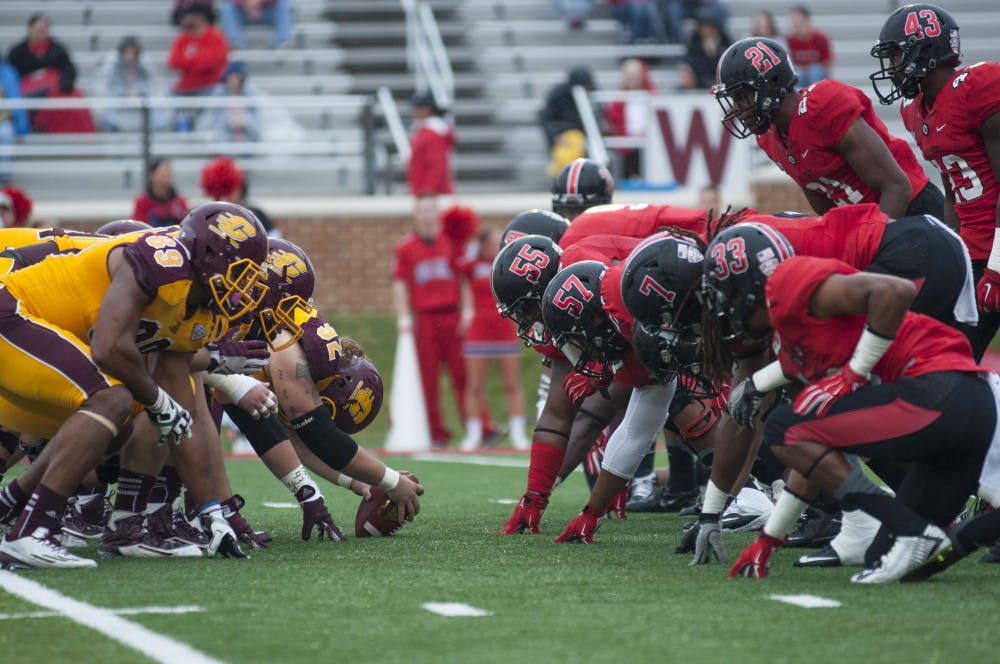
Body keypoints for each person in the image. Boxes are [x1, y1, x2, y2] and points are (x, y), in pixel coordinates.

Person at [705, 225, 994, 583]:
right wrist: (770, 538)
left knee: (783, 425)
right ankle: (919, 531)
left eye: (728, 299)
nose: (728, 315)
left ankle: (912, 528)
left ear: (747, 289)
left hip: (941, 390)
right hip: (954, 411)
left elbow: (895, 289)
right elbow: (811, 461)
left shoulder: (788, 283)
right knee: (884, 556)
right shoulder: (795, 344)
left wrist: (855, 372)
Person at [0, 203, 270, 568]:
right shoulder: (161, 261)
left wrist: (213, 512)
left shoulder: (199, 308)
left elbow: (184, 413)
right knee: (113, 398)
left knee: (126, 418)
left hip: (38, 339)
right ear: (208, 255)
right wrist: (159, 400)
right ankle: (32, 531)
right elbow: (109, 348)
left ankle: (23, 506)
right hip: (14, 311)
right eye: (241, 271)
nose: (244, 287)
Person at [870, 4, 1000, 364]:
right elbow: (952, 192)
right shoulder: (917, 112)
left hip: (995, 248)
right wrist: (949, 253)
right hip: (974, 250)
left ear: (924, 50)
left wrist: (998, 265)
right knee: (942, 356)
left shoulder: (977, 86)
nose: (892, 67)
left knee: (948, 360)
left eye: (896, 54)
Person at [713, 37, 943, 221]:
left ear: (771, 83)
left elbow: (896, 188)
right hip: (869, 223)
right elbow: (827, 210)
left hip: (911, 211)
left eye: (741, 97)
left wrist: (869, 250)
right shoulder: (769, 138)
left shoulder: (822, 105)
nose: (738, 109)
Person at [392, 197, 467, 447]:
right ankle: (435, 432)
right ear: (415, 216)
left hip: (452, 314)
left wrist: (468, 310)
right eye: (421, 211)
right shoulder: (405, 247)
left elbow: (464, 278)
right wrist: (404, 316)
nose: (426, 216)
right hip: (425, 317)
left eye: (430, 211)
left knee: (464, 375)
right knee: (428, 379)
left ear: (438, 214)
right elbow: (400, 283)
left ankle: (476, 427)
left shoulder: (452, 241)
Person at [457, 227, 528, 451]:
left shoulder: (509, 266)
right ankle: (474, 434)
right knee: (474, 387)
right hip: (478, 331)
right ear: (483, 243)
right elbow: (456, 267)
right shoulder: (471, 266)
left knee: (512, 385)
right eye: (494, 241)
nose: (498, 246)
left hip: (504, 329)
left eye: (501, 242)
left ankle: (518, 434)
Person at [6, 13, 94, 134]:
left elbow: (68, 69)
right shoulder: (17, 52)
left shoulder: (57, 49)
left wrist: (64, 84)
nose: (42, 32)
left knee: (73, 97)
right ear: (30, 29)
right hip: (29, 92)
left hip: (55, 89)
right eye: (39, 29)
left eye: (44, 29)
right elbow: (10, 77)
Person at [169, 1, 229, 131]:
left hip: (209, 87)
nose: (184, 19)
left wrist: (188, 62)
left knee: (218, 97)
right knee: (169, 103)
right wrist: (195, 62)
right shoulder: (182, 38)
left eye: (188, 15)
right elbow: (173, 62)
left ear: (200, 17)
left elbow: (208, 63)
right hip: (185, 88)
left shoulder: (215, 36)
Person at [95, 36, 169, 132]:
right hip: (119, 93)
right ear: (122, 51)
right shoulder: (112, 62)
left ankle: (158, 124)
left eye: (133, 52)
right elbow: (106, 83)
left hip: (140, 93)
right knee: (111, 99)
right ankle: (111, 123)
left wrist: (138, 91)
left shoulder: (144, 62)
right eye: (127, 51)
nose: (130, 55)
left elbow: (154, 83)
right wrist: (126, 92)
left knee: (153, 100)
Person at [539, 67, 597, 178]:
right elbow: (546, 118)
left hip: (582, 136)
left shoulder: (590, 95)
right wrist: (555, 136)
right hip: (562, 135)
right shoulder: (557, 95)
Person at [604, 59, 656, 179]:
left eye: (634, 76)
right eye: (628, 76)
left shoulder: (652, 95)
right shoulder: (619, 98)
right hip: (627, 146)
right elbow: (612, 120)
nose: (631, 79)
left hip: (648, 143)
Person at [200, 156, 277, 235]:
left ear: (241, 188)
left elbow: (275, 243)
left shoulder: (258, 216)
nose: (226, 197)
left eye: (229, 189)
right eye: (220, 193)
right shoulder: (208, 222)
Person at [407, 92, 454, 199]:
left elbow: (436, 164)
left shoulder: (433, 133)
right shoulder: (429, 131)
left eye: (416, 108)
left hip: (431, 196)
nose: (412, 112)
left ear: (426, 110)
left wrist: (428, 190)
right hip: (427, 194)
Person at [132, 158, 189, 228]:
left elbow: (185, 227)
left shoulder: (180, 201)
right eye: (162, 174)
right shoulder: (142, 202)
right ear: (152, 175)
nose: (166, 178)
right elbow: (138, 229)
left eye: (169, 174)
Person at [218, 0, 295, 50]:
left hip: (268, 12)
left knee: (284, 4)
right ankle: (235, 43)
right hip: (243, 12)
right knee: (226, 7)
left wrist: (258, 2)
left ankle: (281, 43)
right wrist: (247, 3)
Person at [785, 5, 832, 86]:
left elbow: (827, 63)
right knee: (797, 73)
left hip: (816, 75)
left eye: (799, 22)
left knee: (814, 71)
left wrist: (808, 70)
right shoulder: (789, 40)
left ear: (807, 21)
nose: (797, 26)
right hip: (799, 73)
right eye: (794, 23)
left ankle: (816, 95)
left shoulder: (820, 38)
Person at [684, 11, 733, 89]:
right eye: (703, 27)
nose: (705, 30)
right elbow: (691, 61)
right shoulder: (694, 42)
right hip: (699, 80)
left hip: (721, 81)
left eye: (708, 27)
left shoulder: (725, 41)